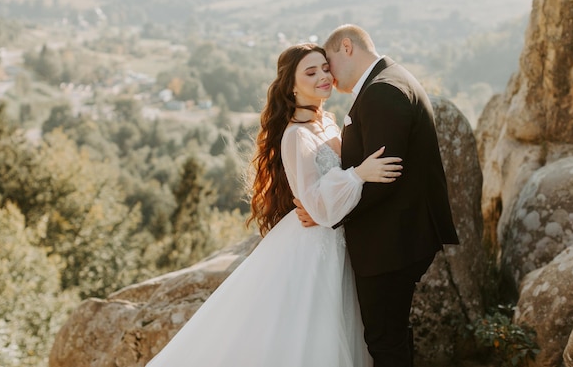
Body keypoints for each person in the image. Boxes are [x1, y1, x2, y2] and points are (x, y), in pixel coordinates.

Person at [144, 43, 403, 367]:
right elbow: (317, 204)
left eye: (325, 68)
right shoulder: (295, 136)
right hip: (314, 246)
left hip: (340, 241)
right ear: (291, 85)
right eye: (311, 72)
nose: (323, 76)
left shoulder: (329, 121)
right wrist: (360, 175)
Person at [295, 24, 460, 367]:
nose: (328, 75)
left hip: (391, 242)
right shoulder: (388, 80)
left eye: (328, 64)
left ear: (346, 47)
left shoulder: (383, 91)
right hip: (397, 236)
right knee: (392, 334)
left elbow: (384, 178)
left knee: (383, 340)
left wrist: (328, 213)